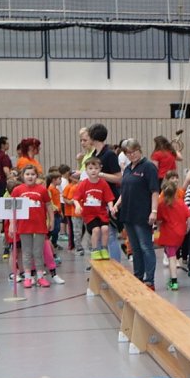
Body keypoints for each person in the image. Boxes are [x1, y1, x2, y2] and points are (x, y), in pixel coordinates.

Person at [112, 139, 159, 291]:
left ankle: (149, 279)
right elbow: (125, 191)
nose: (132, 155)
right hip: (128, 213)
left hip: (142, 213)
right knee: (135, 247)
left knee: (146, 246)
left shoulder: (148, 167)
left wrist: (154, 211)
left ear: (140, 149)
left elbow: (154, 191)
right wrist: (117, 204)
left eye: (134, 151)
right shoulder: (127, 169)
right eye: (128, 153)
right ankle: (138, 275)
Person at [10, 165, 56, 288]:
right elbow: (12, 209)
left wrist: (51, 220)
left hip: (40, 225)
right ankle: (28, 277)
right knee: (26, 252)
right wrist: (11, 224)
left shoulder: (42, 189)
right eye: (27, 174)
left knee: (38, 251)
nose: (30, 177)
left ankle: (40, 277)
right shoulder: (17, 190)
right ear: (22, 176)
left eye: (33, 174)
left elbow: (48, 206)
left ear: (37, 176)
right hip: (24, 226)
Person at [85, 124, 123, 261]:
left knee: (110, 234)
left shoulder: (109, 155)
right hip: (95, 200)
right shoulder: (94, 154)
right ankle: (101, 267)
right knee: (97, 235)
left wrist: (100, 174)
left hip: (108, 198)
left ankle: (115, 266)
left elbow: (119, 177)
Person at [73, 157, 115, 261]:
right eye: (90, 168)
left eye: (96, 168)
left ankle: (104, 249)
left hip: (101, 213)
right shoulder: (83, 184)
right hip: (89, 215)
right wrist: (78, 206)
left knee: (105, 229)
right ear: (86, 170)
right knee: (96, 230)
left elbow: (109, 198)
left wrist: (111, 207)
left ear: (100, 169)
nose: (93, 170)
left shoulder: (103, 183)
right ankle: (95, 249)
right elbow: (75, 198)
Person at [155, 181, 190, 291]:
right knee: (172, 254)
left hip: (169, 234)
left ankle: (174, 281)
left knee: (171, 257)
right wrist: (187, 228)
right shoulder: (181, 203)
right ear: (176, 192)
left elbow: (159, 220)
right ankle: (173, 279)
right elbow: (189, 216)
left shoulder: (162, 205)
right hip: (180, 234)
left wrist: (158, 226)